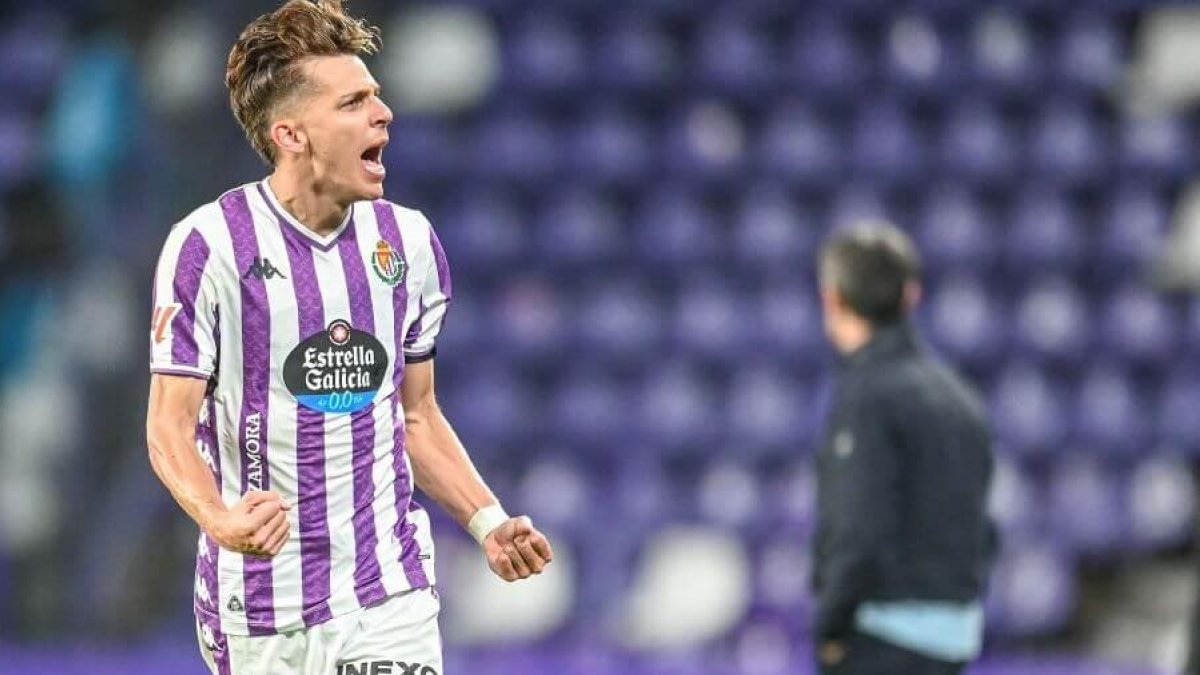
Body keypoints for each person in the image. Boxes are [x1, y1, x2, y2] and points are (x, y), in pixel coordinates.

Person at [145, 2, 553, 673]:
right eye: (355, 102)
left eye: (378, 95)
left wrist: (486, 519)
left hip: (388, 592)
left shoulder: (408, 243)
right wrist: (219, 517)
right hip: (260, 605)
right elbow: (168, 427)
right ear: (292, 134)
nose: (382, 113)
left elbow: (415, 414)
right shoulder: (208, 246)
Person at [811, 223, 995, 675]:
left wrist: (831, 627)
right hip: (954, 638)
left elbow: (860, 528)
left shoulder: (867, 397)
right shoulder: (959, 395)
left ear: (833, 299)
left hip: (882, 640)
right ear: (911, 296)